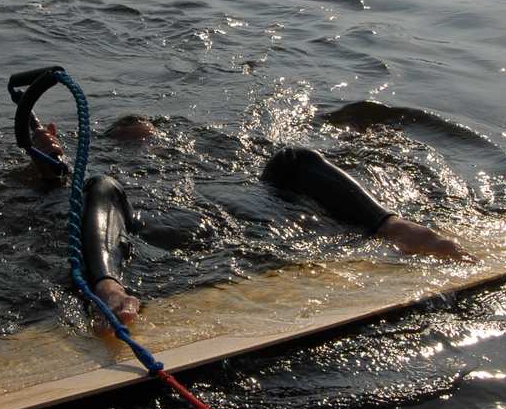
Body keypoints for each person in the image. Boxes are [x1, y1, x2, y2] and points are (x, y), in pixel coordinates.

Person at [30, 114, 473, 332]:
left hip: (255, 217)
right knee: (99, 183)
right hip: (142, 236)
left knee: (291, 158)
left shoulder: (191, 155)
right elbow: (76, 203)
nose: (144, 151)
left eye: (149, 141)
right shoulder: (114, 173)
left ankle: (392, 226)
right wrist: (53, 165)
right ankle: (108, 285)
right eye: (132, 145)